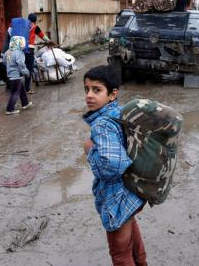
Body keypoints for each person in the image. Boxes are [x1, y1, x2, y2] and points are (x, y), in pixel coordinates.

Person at [82, 65, 147, 266]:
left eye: (97, 90)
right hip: (131, 192)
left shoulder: (102, 123)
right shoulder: (120, 112)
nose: (89, 96)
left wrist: (90, 151)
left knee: (120, 254)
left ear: (112, 94)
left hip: (116, 197)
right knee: (131, 241)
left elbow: (112, 166)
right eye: (87, 89)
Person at [2, 36, 32, 115]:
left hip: (10, 76)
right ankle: (10, 109)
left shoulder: (7, 52)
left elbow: (4, 62)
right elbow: (21, 64)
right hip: (17, 76)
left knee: (21, 90)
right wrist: (26, 72)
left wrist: (10, 67)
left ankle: (25, 104)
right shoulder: (18, 52)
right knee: (15, 93)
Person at [27, 13, 50, 93]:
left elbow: (29, 37)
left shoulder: (24, 26)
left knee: (26, 66)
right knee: (32, 66)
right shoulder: (34, 27)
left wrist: (35, 42)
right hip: (29, 49)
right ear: (35, 20)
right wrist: (49, 41)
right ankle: (29, 86)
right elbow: (42, 36)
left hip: (22, 48)